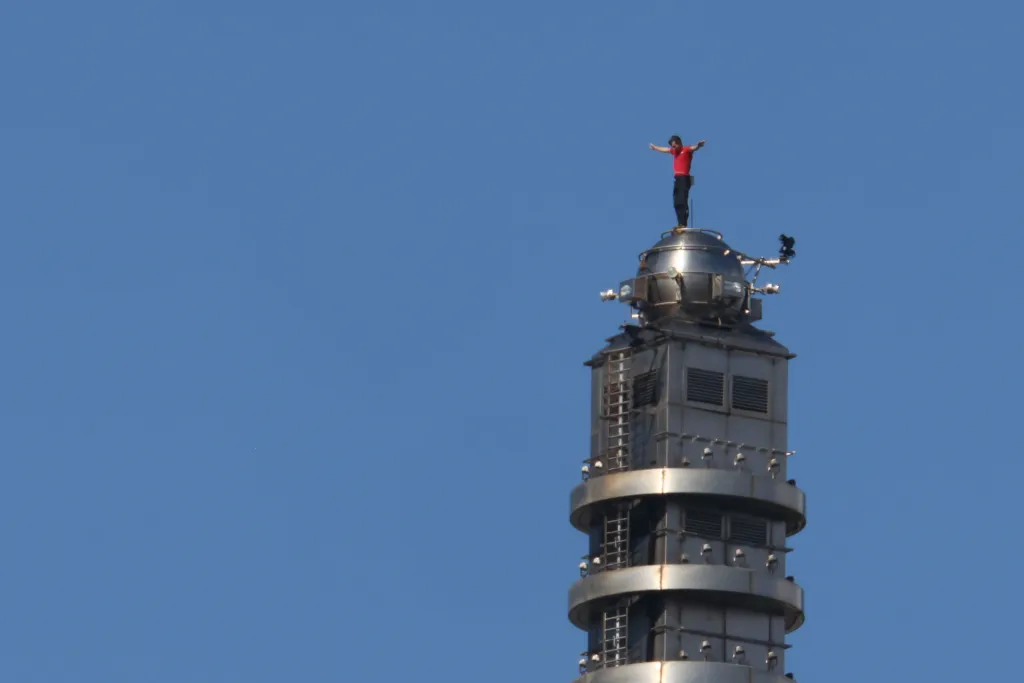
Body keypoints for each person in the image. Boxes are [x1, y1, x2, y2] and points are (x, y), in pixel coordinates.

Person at [649, 136, 706, 228]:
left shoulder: (686, 149)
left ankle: (683, 223)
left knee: (682, 200)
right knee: (677, 202)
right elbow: (666, 149)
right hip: (678, 179)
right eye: (673, 146)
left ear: (679, 143)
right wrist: (655, 148)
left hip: (684, 178)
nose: (673, 148)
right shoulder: (675, 152)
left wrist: (698, 145)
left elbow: (693, 148)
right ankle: (680, 223)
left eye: (675, 146)